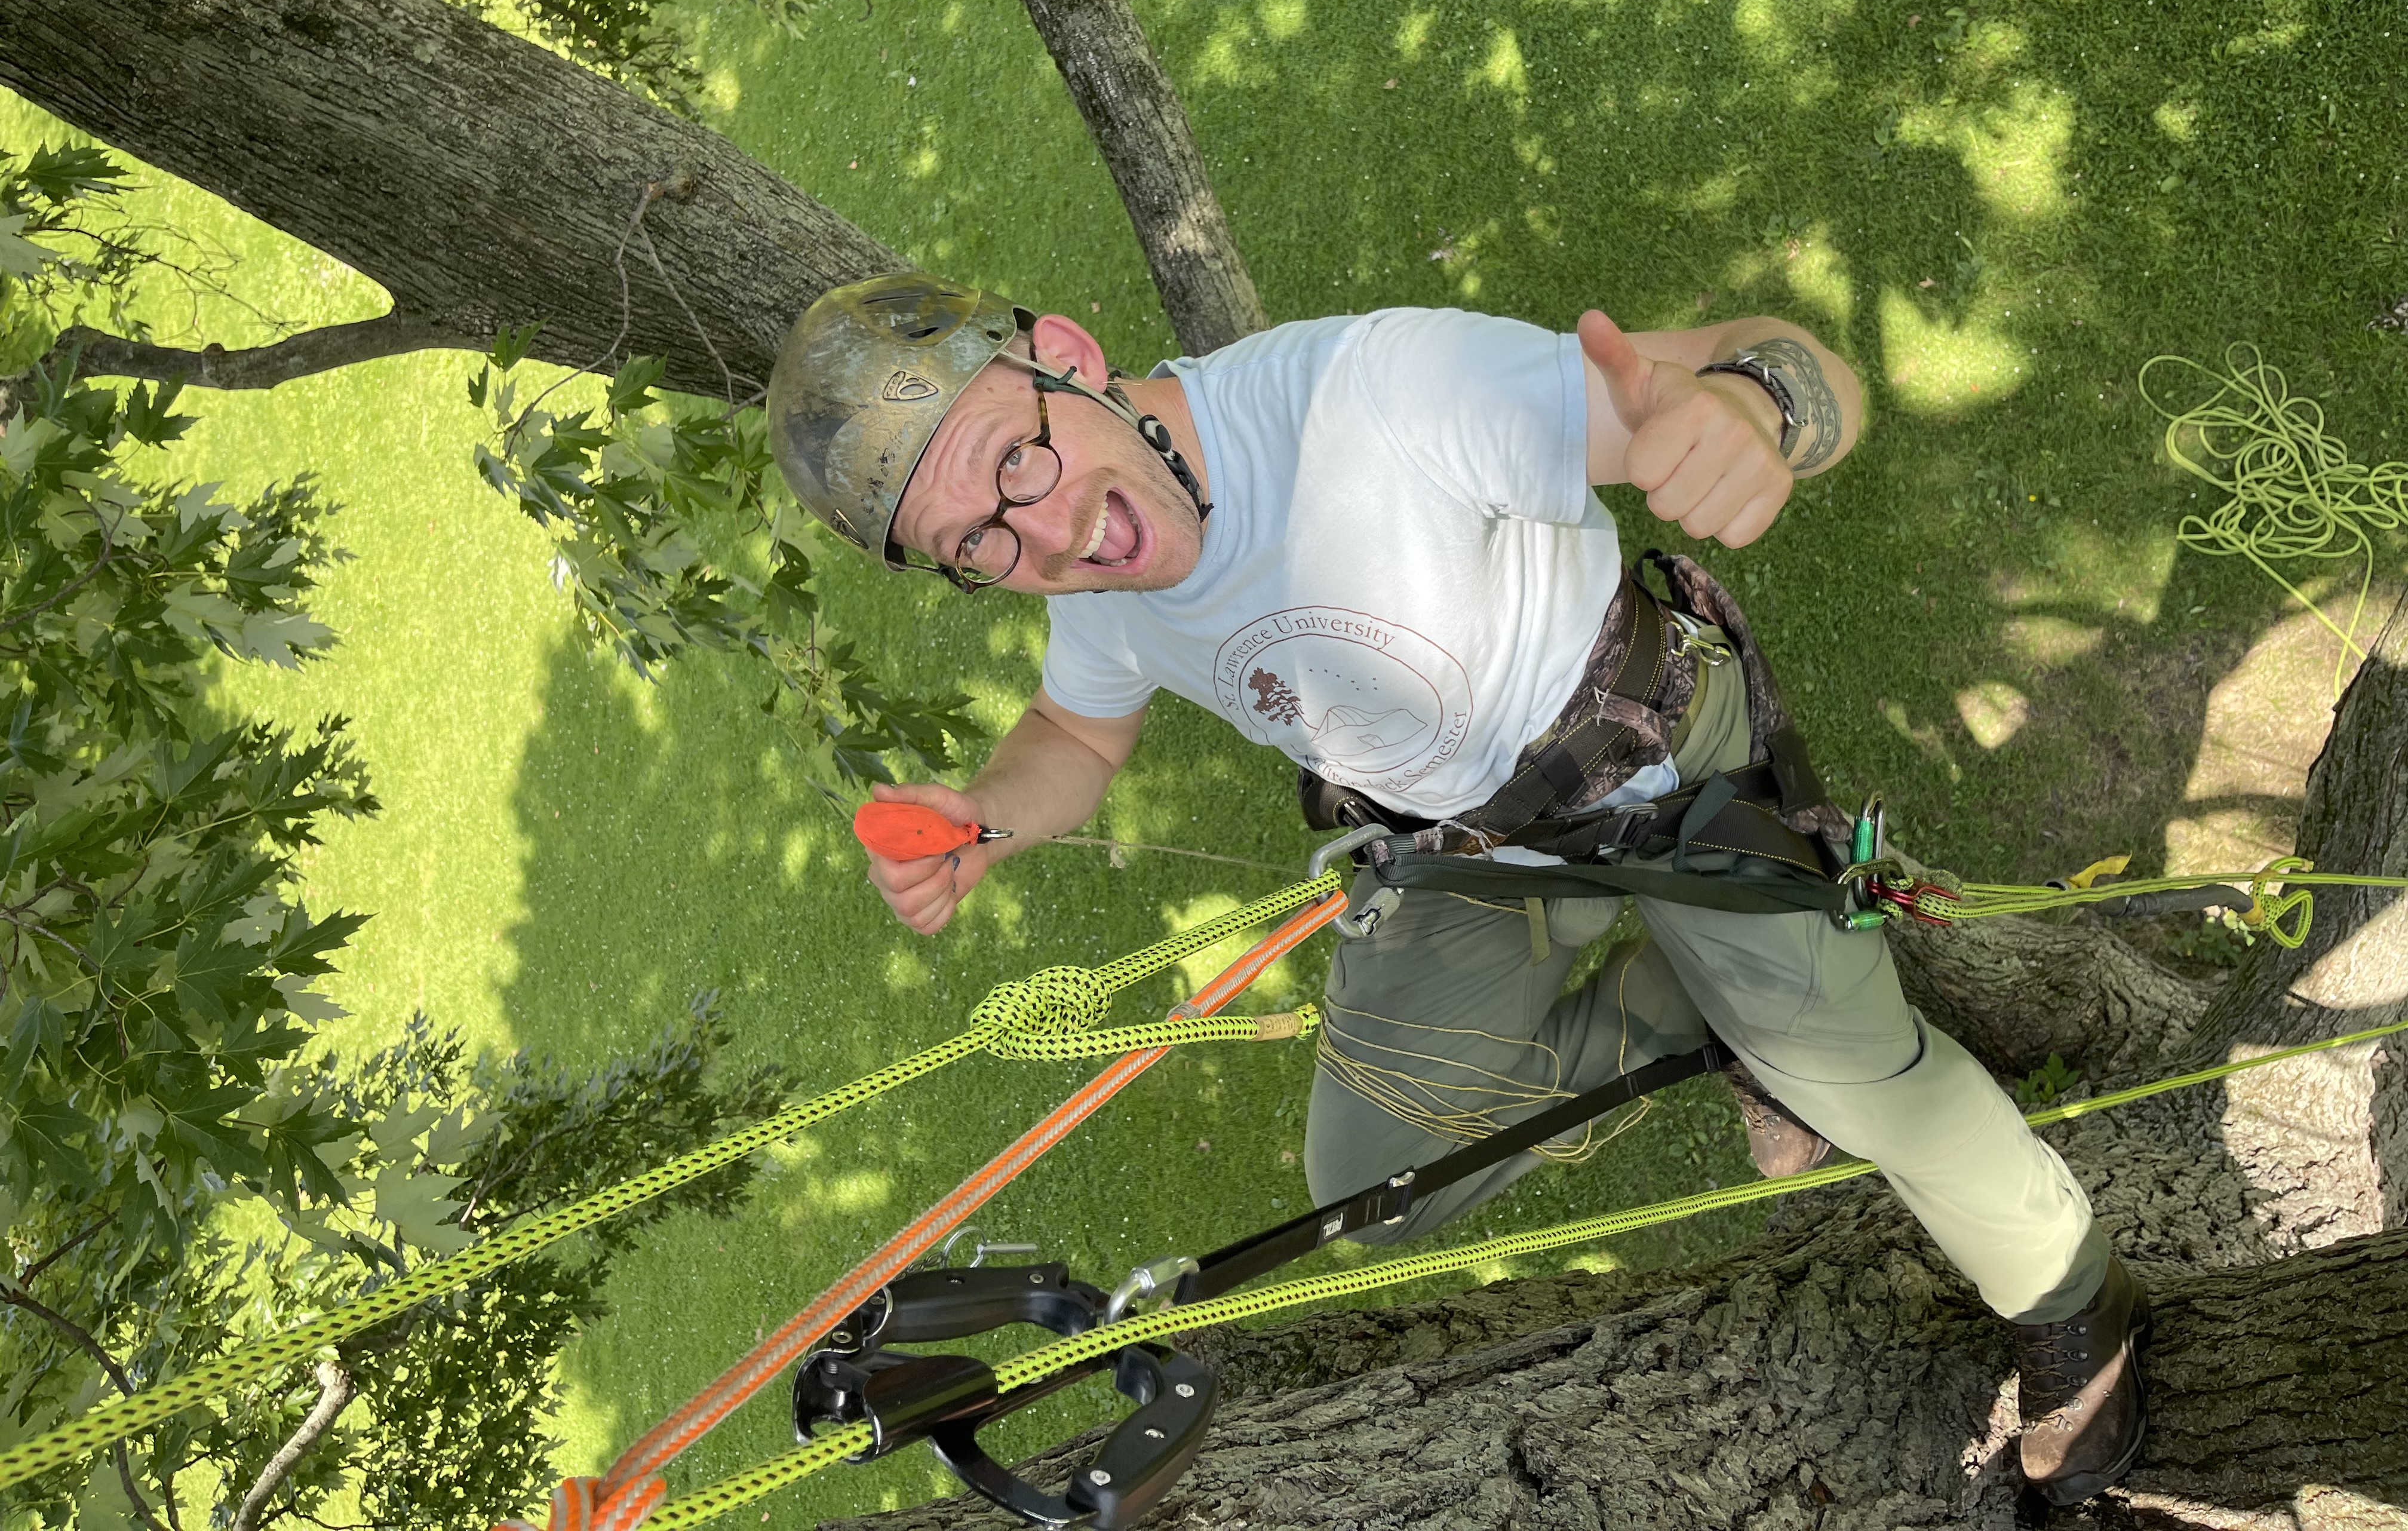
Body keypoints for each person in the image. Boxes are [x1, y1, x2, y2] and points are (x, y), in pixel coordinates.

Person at [765, 275, 2151, 1505]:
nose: (1047, 535)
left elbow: (1775, 361)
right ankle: (1705, 1005)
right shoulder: (1095, 592)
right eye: (978, 549)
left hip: (1661, 767)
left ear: (1068, 354)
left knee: (1867, 1084)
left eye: (1016, 460)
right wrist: (988, 817)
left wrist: (1752, 410)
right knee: (1367, 1185)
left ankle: (2076, 1298)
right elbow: (1074, 736)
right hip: (1467, 854)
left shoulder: (1374, 397)